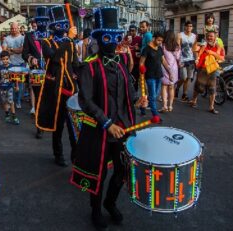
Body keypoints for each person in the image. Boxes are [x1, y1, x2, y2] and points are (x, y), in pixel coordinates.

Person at [70, 7, 148, 230]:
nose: (112, 42)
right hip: (99, 130)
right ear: (98, 38)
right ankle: (95, 210)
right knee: (99, 173)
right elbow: (86, 101)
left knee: (122, 171)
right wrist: (107, 123)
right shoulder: (90, 66)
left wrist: (136, 102)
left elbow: (125, 94)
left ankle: (110, 202)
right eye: (107, 37)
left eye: (115, 37)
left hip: (122, 128)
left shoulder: (122, 63)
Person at [36, 5, 78, 167]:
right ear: (53, 26)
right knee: (58, 124)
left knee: (73, 125)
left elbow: (75, 64)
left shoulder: (72, 44)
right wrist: (68, 40)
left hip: (71, 88)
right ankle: (58, 154)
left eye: (65, 24)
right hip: (55, 88)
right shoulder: (46, 42)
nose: (63, 28)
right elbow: (54, 58)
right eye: (59, 25)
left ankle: (76, 155)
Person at [22, 7, 50, 139]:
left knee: (48, 98)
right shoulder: (29, 36)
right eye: (35, 24)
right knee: (38, 99)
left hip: (50, 71)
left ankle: (48, 121)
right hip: (36, 72)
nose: (37, 26)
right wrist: (30, 58)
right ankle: (39, 126)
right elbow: (24, 53)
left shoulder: (50, 35)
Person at [189, 31, 224, 114]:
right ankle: (194, 101)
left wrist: (213, 53)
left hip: (212, 70)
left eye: (211, 36)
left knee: (212, 89)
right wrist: (196, 40)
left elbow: (221, 58)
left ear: (215, 37)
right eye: (208, 36)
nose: (209, 38)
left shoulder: (219, 47)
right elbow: (194, 49)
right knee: (199, 87)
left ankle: (211, 107)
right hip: (202, 69)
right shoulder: (202, 44)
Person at [139, 32, 173, 117]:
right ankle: (155, 115)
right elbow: (141, 63)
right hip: (150, 76)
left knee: (155, 95)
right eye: (158, 40)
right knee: (153, 96)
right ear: (153, 38)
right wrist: (141, 74)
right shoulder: (146, 49)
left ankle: (142, 107)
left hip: (159, 75)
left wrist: (170, 72)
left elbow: (163, 61)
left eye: (161, 41)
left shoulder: (160, 48)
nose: (160, 42)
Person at [2, 22, 25, 109]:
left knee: (20, 84)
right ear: (10, 29)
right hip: (10, 64)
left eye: (15, 28)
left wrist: (10, 49)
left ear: (18, 28)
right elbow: (4, 51)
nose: (14, 30)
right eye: (12, 28)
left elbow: (21, 50)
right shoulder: (7, 38)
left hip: (21, 63)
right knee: (10, 83)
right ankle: (12, 100)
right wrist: (15, 50)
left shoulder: (23, 38)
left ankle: (18, 100)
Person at [160, 30, 181, 113]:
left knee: (164, 86)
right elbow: (178, 57)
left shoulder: (163, 45)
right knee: (171, 87)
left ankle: (164, 105)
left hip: (164, 67)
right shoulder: (176, 46)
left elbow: (161, 56)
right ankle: (170, 106)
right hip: (174, 67)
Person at [176, 21, 196, 102]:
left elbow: (194, 48)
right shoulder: (180, 35)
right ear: (184, 27)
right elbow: (178, 48)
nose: (189, 28)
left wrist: (196, 58)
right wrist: (178, 60)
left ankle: (185, 94)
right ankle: (177, 88)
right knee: (183, 78)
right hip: (182, 59)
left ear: (192, 27)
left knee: (188, 78)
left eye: (190, 26)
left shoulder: (194, 36)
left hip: (191, 59)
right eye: (187, 26)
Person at [0, 51, 19, 124]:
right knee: (5, 101)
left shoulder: (12, 67)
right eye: (3, 59)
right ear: (1, 59)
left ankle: (14, 116)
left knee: (11, 102)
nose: (5, 60)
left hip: (10, 87)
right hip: (2, 87)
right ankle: (7, 115)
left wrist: (16, 86)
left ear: (9, 58)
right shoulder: (0, 67)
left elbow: (15, 78)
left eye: (6, 59)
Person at [128, 25, 142, 90]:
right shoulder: (127, 38)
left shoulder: (139, 38)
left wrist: (138, 48)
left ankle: (135, 94)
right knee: (128, 78)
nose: (131, 32)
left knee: (135, 79)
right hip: (128, 62)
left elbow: (142, 49)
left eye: (133, 31)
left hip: (136, 62)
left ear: (136, 31)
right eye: (130, 31)